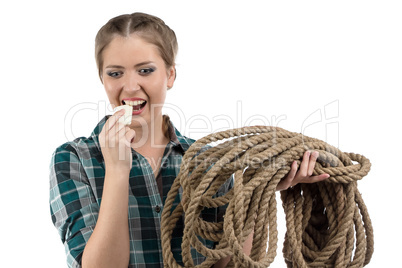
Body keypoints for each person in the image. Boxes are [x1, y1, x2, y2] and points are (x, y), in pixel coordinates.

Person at [49, 12, 329, 268]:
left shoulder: (209, 162)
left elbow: (227, 264)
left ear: (170, 75)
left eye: (145, 70)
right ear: (102, 78)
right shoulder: (73, 160)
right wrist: (117, 171)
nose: (131, 86)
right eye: (115, 73)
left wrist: (255, 192)